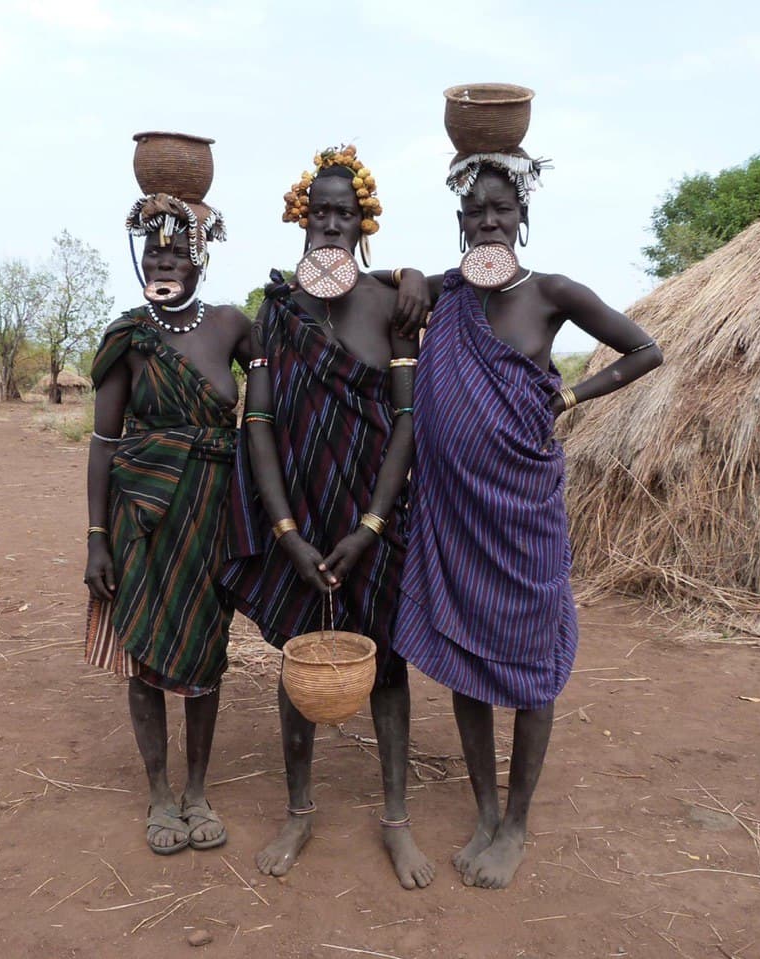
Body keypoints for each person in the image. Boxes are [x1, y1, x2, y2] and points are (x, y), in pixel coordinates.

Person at [391, 135, 663, 890]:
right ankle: (484, 810)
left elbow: (645, 351)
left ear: (523, 217)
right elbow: (378, 285)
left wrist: (569, 396)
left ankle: (516, 824)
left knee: (534, 661)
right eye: (475, 212)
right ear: (460, 223)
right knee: (466, 653)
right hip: (453, 511)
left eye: (501, 210)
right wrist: (408, 272)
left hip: (525, 511)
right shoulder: (447, 295)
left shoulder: (553, 293)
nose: (488, 222)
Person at [221, 144, 435, 889]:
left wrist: (371, 525)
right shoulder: (277, 310)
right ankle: (299, 810)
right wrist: (286, 534)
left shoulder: (391, 304)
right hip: (300, 515)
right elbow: (258, 424)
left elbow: (407, 421)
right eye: (321, 213)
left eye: (345, 213)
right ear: (301, 220)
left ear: (364, 222)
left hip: (377, 515)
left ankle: (397, 819)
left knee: (389, 665)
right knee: (298, 654)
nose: (332, 225)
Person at [83, 135, 252, 857]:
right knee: (146, 651)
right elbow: (104, 442)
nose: (164, 265)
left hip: (210, 514)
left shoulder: (231, 325)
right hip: (143, 517)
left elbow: (283, 384)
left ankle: (198, 790)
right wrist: (96, 538)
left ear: (200, 259)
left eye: (177, 254)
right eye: (154, 256)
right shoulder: (128, 337)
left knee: (206, 651)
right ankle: (159, 793)